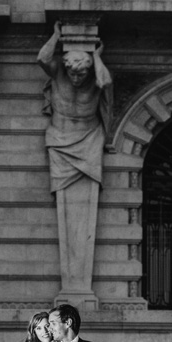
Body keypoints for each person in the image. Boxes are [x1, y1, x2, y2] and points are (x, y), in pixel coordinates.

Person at [37, 21, 113, 307]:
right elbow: (43, 58)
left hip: (89, 138)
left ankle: (79, 286)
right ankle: (74, 287)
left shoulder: (96, 76)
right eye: (73, 71)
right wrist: (57, 37)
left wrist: (96, 56)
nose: (77, 77)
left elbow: (105, 82)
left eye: (82, 72)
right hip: (60, 138)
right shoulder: (58, 72)